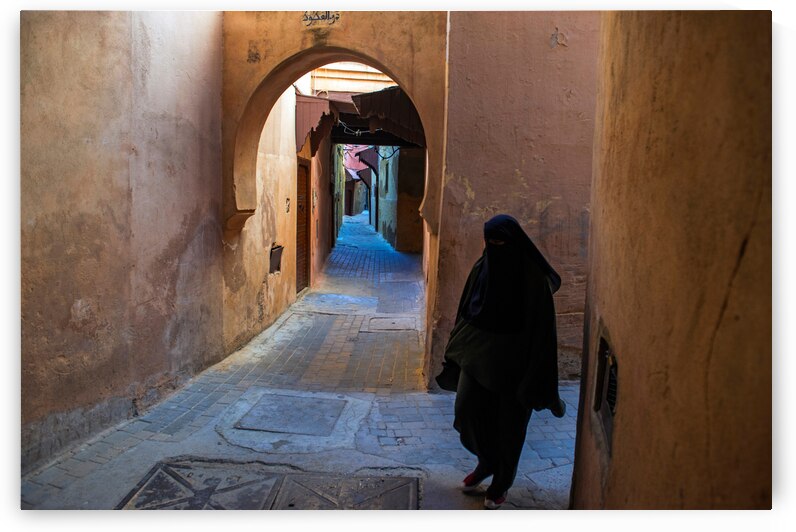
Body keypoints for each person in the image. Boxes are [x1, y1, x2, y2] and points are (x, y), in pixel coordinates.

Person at [436, 214, 566, 509]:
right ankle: (487, 461)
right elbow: (467, 307)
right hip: (478, 357)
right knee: (467, 411)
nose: (495, 247)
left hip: (515, 365)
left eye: (500, 242)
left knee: (510, 427)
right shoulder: (484, 265)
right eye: (490, 242)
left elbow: (543, 331)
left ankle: (501, 483)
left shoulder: (533, 278)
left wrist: (535, 373)